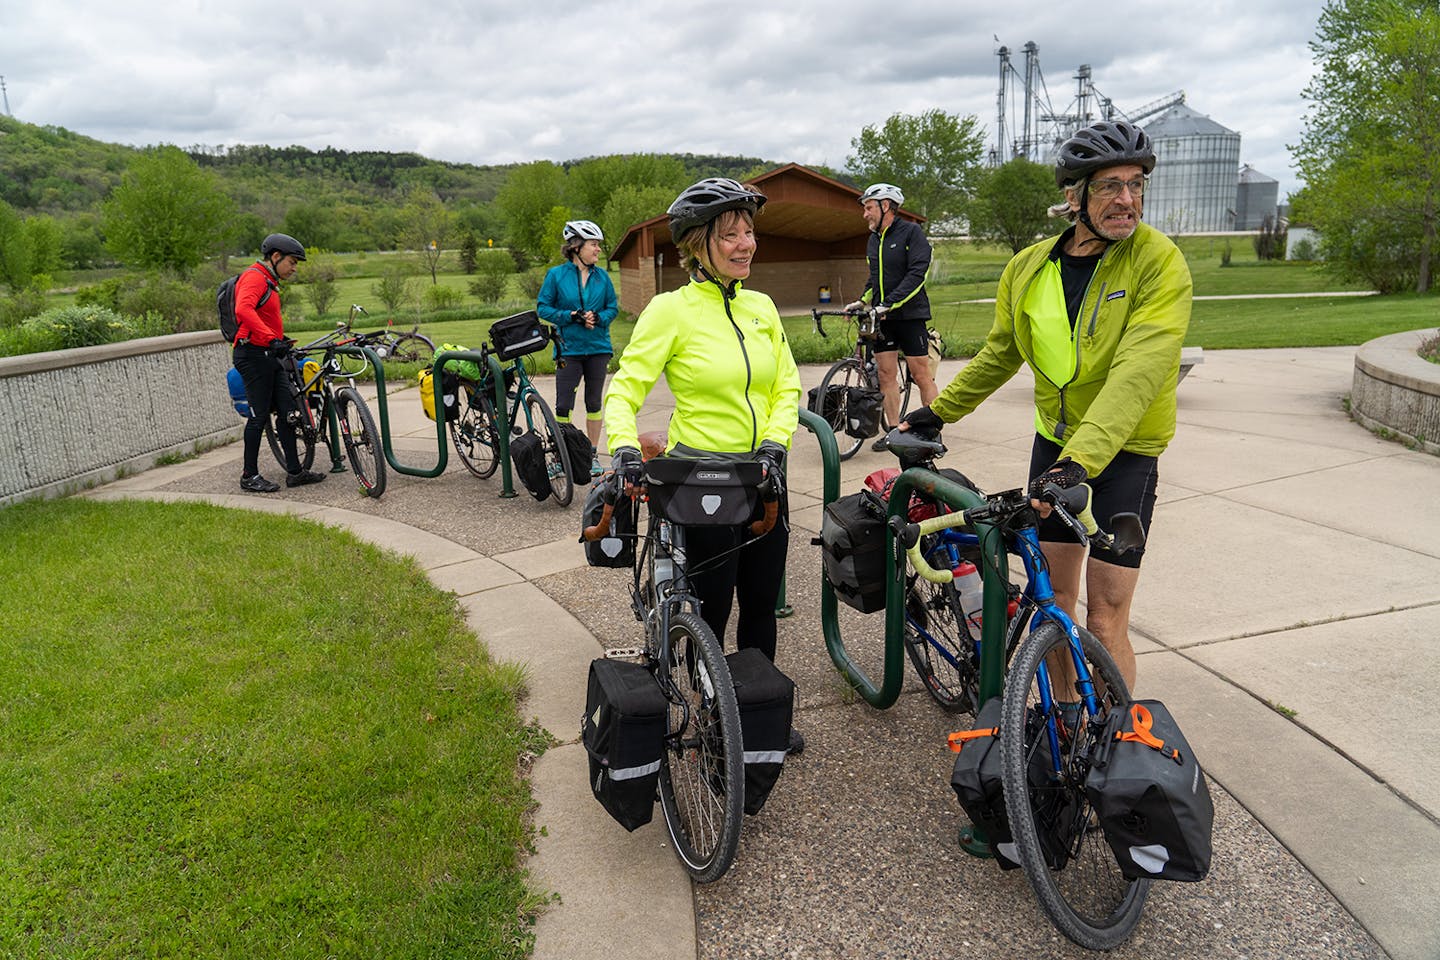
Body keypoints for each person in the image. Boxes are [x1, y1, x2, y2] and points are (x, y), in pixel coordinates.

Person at [901, 119, 1192, 693]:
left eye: (1136, 184)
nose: (1127, 200)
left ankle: (1116, 740)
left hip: (1122, 454)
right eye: (1110, 186)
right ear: (1073, 195)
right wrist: (938, 410)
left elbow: (1138, 373)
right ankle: (1066, 719)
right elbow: (1000, 353)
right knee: (1054, 601)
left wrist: (1079, 463)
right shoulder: (1029, 268)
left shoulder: (1159, 262)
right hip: (1057, 447)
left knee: (1106, 618)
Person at [603, 177, 805, 752]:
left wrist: (774, 445)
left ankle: (758, 713)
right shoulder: (671, 311)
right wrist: (622, 446)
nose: (746, 244)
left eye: (749, 233)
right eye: (730, 235)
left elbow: (785, 386)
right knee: (713, 607)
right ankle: (712, 717)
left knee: (762, 604)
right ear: (697, 245)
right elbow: (624, 391)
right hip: (704, 479)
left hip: (763, 474)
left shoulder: (762, 307)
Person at [845, 182, 939, 451]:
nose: (865, 214)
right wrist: (862, 300)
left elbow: (916, 276)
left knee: (921, 375)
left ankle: (931, 429)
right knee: (886, 375)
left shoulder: (911, 233)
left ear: (886, 206)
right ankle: (895, 430)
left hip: (910, 316)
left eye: (869, 207)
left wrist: (890, 303)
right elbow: (874, 279)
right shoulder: (873, 240)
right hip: (882, 318)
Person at [230, 232, 326, 493]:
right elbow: (243, 310)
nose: (294, 268)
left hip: (269, 355)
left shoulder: (268, 281)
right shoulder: (254, 277)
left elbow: (263, 317)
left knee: (288, 413)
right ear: (275, 256)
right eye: (292, 262)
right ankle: (249, 475)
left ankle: (295, 472)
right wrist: (270, 339)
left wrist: (278, 340)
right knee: (258, 416)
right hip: (252, 355)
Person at [537, 219, 618, 476]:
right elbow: (543, 307)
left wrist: (599, 318)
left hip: (597, 348)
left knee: (594, 403)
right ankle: (563, 456)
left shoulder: (603, 277)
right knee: (563, 406)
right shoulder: (556, 276)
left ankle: (590, 456)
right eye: (593, 245)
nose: (598, 250)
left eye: (598, 245)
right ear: (576, 247)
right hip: (568, 349)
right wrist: (571, 315)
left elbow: (612, 308)